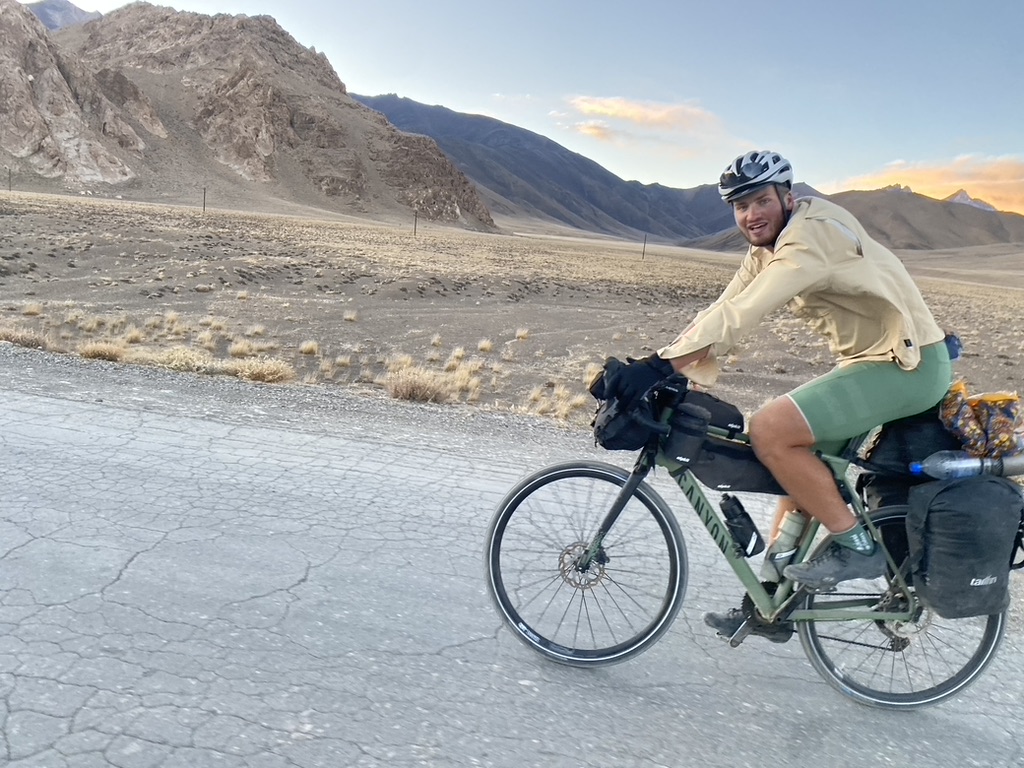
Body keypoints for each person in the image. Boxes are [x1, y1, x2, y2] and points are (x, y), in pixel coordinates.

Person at [608, 150, 951, 642]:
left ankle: (858, 547)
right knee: (797, 466)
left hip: (907, 366)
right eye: (740, 205)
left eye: (761, 201)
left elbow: (747, 312)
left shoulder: (810, 238)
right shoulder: (767, 247)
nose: (751, 214)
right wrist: (662, 361)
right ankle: (770, 601)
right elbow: (725, 306)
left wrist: (662, 366)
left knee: (771, 430)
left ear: (787, 197)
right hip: (872, 363)